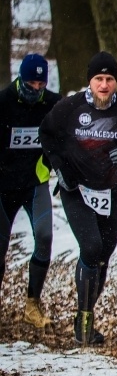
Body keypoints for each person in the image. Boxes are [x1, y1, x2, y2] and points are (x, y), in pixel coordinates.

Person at [39, 51, 117, 345]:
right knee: (90, 247)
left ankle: (87, 315)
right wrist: (58, 168)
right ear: (89, 81)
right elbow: (46, 136)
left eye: (109, 79)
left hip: (108, 191)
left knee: (103, 254)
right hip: (75, 188)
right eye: (98, 79)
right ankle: (82, 320)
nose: (104, 85)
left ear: (116, 81)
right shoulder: (69, 108)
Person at [0, 54, 61, 328]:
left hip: (35, 183)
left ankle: (32, 304)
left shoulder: (53, 103)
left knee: (45, 237)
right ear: (20, 79)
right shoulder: (3, 102)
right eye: (31, 83)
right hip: (3, 186)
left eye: (41, 83)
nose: (36, 88)